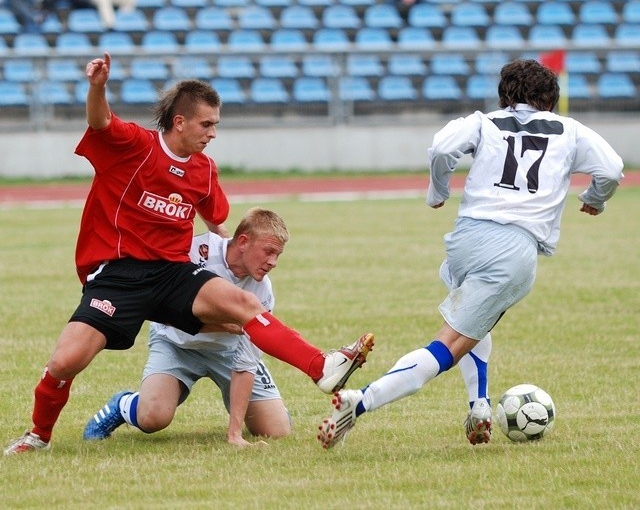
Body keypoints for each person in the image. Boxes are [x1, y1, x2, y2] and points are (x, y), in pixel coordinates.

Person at [4, 52, 374, 455]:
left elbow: (218, 224)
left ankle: (322, 367)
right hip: (118, 275)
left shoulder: (204, 170)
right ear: (179, 122)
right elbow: (100, 122)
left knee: (244, 303)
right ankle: (37, 436)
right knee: (65, 362)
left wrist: (239, 266)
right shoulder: (134, 146)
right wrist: (97, 86)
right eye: (207, 124)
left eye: (216, 124)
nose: (213, 133)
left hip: (172, 273)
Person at [317, 59, 624, 449]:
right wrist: (595, 199)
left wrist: (438, 191)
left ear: (505, 95)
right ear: (550, 99)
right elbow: (612, 169)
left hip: (466, 238)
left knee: (479, 321)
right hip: (513, 249)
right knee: (447, 346)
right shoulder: (571, 130)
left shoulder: (484, 121)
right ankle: (360, 402)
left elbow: (443, 148)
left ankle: (479, 404)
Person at [83, 208, 293, 446]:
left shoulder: (263, 292)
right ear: (243, 241)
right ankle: (123, 404)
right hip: (176, 343)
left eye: (278, 255)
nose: (273, 262)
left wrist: (234, 435)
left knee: (276, 429)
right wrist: (221, 325)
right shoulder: (196, 252)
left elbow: (246, 363)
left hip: (228, 352)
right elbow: (159, 311)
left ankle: (273, 409)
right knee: (152, 417)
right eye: (269, 252)